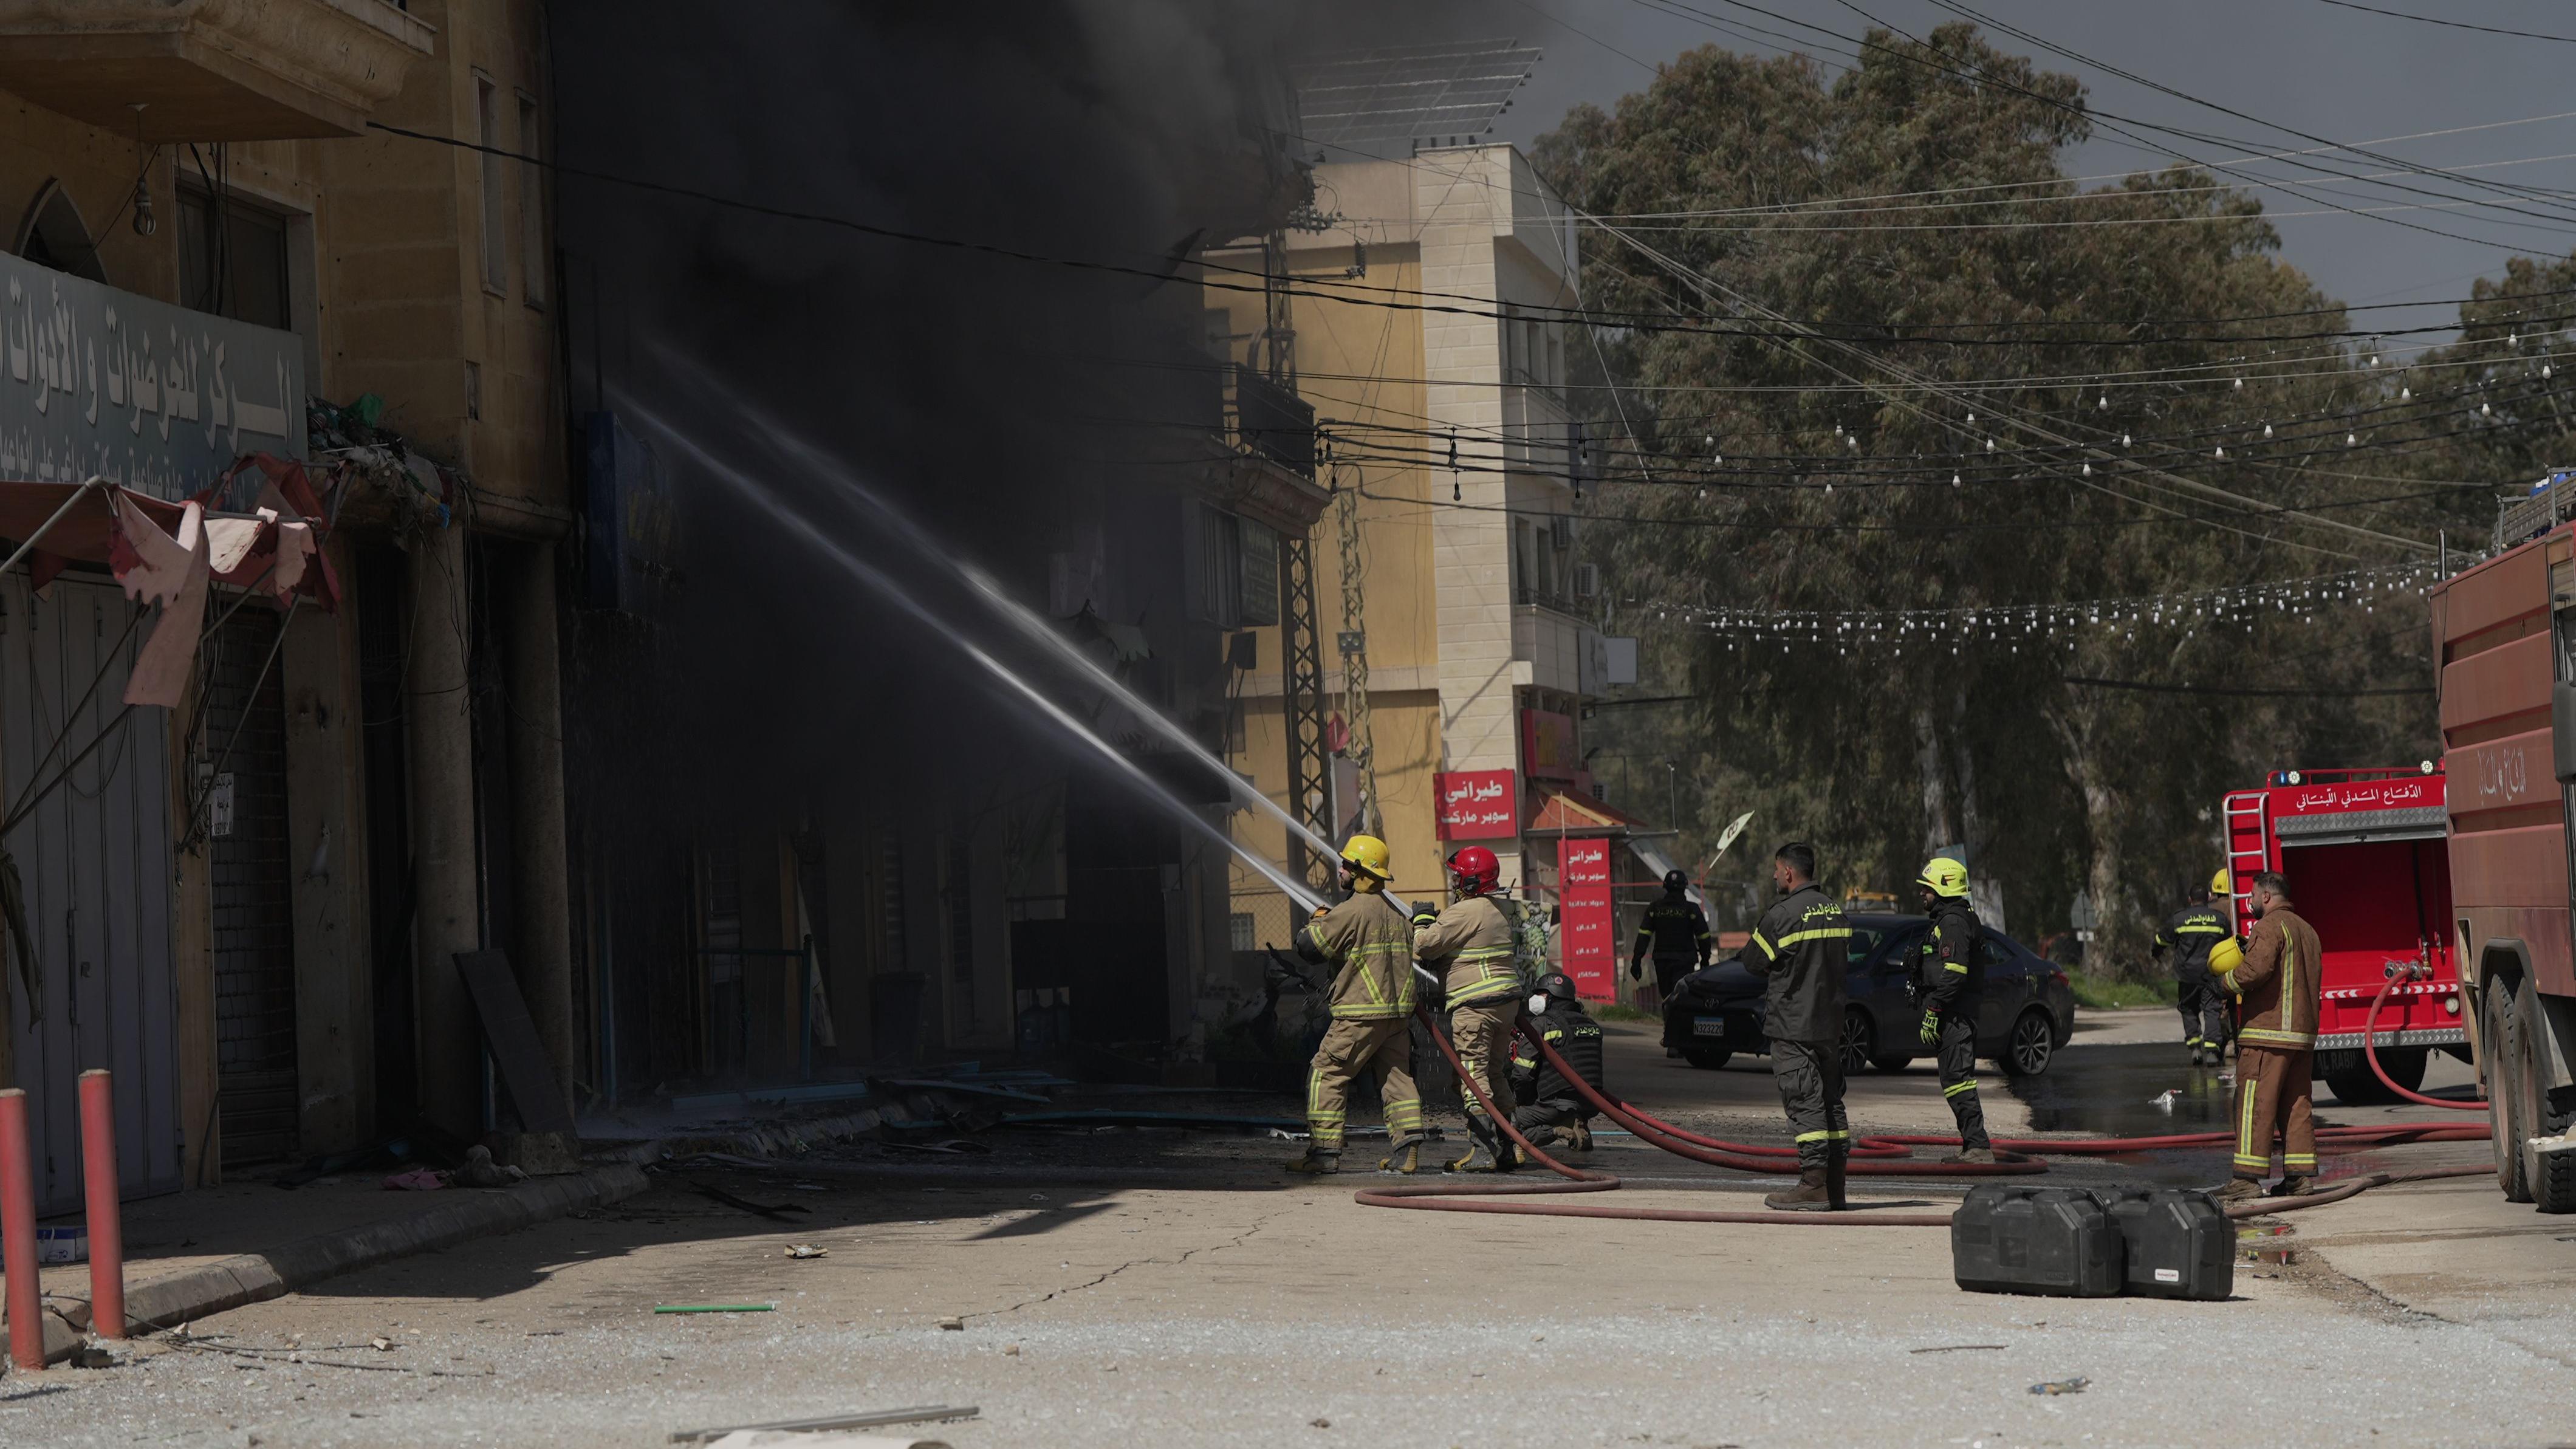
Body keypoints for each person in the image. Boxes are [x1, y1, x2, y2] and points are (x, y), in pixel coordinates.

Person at [1284, 834, 1425, 1175]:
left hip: (1359, 1015)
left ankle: (1323, 1155)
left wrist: (1318, 921)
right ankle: (1407, 1152)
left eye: (1347, 865)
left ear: (1361, 872)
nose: (1341, 869)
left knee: (1326, 1074)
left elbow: (1307, 947)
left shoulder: (1349, 912)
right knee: (1397, 1079)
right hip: (1396, 1017)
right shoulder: (1397, 914)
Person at [1739, 841, 1851, 1211]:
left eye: (1776, 869)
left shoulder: (1782, 915)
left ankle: (1813, 1185)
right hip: (1830, 1026)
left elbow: (1753, 962)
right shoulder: (1835, 911)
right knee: (1831, 1103)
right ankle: (1835, 1187)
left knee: (1805, 1104)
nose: (1774, 875)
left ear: (1788, 872)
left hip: (1793, 1027)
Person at [2211, 871, 2323, 1202]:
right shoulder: (2309, 931)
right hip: (2301, 1038)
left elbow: (2255, 970)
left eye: (2252, 894)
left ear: (2267, 897)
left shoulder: (2269, 927)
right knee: (2296, 1106)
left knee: (2254, 1105)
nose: (2249, 901)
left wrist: (2223, 984)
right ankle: (2300, 1179)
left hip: (2267, 1035)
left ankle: (2246, 1180)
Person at [1413, 844, 1524, 1173]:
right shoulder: (1496, 910)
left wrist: (1421, 920)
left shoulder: (1466, 911)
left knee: (1474, 1077)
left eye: (1458, 877)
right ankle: (1511, 1147)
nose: (1453, 883)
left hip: (1475, 1007)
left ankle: (1483, 1151)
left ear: (1472, 883)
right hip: (1504, 1005)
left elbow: (1424, 945)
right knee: (1494, 1073)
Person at [1912, 856, 1993, 1165]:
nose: (1923, 893)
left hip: (1955, 1016)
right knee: (1953, 1080)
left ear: (1943, 888)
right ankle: (1972, 1145)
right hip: (1952, 1013)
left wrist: (1934, 1009)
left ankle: (1978, 1148)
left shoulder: (1954, 922)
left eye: (1927, 887)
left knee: (1958, 1080)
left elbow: (1955, 972)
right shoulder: (1950, 918)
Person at [1510, 971, 1606, 1158]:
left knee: (1501, 1121)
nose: (1535, 999)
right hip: (1590, 1104)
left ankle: (1563, 1129)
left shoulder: (1542, 1024)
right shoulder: (1591, 1024)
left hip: (1556, 1105)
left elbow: (1523, 1074)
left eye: (1541, 994)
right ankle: (1578, 1123)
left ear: (1552, 997)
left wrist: (1520, 1101)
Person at [2156, 869, 2236, 1066]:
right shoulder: (2219, 918)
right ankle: (2211, 1050)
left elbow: (2161, 940)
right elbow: (2229, 944)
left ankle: (2195, 1048)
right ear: (2208, 898)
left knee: (2188, 1009)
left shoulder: (2180, 918)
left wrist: (2156, 953)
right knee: (2211, 1009)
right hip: (2211, 974)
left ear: (2190, 899)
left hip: (2186, 976)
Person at [1631, 869, 1713, 1010]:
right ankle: (1681, 1028)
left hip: (1662, 962)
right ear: (1684, 888)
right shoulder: (1691, 909)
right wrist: (1705, 960)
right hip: (1685, 961)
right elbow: (1704, 937)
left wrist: (1637, 960)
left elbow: (1644, 936)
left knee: (1668, 998)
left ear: (1666, 887)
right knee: (1682, 998)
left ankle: (1670, 1027)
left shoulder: (1655, 909)